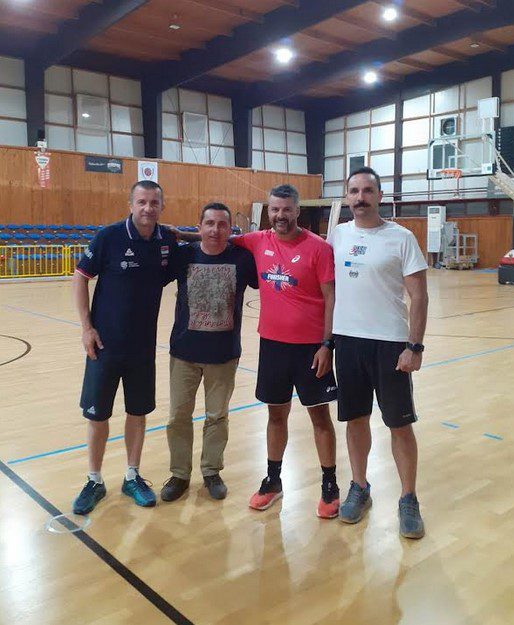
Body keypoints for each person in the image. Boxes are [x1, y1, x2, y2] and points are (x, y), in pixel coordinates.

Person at [328, 166, 429, 539]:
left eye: (367, 190)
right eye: (354, 191)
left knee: (399, 424)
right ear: (347, 196)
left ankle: (408, 498)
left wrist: (414, 347)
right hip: (347, 342)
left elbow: (419, 296)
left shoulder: (401, 238)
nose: (360, 197)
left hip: (390, 345)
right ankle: (359, 487)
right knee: (355, 420)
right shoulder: (337, 235)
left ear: (380, 196)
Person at [233, 184, 340, 519]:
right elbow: (217, 237)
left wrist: (327, 345)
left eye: (286, 209)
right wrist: (179, 234)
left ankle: (329, 484)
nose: (280, 215)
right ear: (269, 211)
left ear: (297, 211)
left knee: (319, 418)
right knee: (275, 415)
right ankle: (273, 480)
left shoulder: (319, 248)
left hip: (311, 350)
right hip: (273, 346)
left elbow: (331, 298)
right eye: (275, 209)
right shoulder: (257, 240)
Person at [72, 180, 177, 515]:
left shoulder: (166, 241)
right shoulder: (109, 237)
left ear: (162, 207)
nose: (148, 208)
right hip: (104, 346)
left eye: (154, 203)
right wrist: (87, 328)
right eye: (142, 202)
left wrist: (188, 235)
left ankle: (132, 476)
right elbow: (80, 276)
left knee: (138, 412)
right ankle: (94, 480)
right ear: (130, 204)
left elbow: (190, 251)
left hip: (142, 348)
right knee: (98, 415)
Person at [160, 203, 258, 502]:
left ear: (230, 229)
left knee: (217, 417)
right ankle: (179, 474)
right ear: (199, 226)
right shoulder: (183, 256)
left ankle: (211, 471)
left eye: (222, 224)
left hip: (224, 355)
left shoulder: (242, 259)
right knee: (178, 416)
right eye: (210, 223)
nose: (215, 230)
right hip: (184, 353)